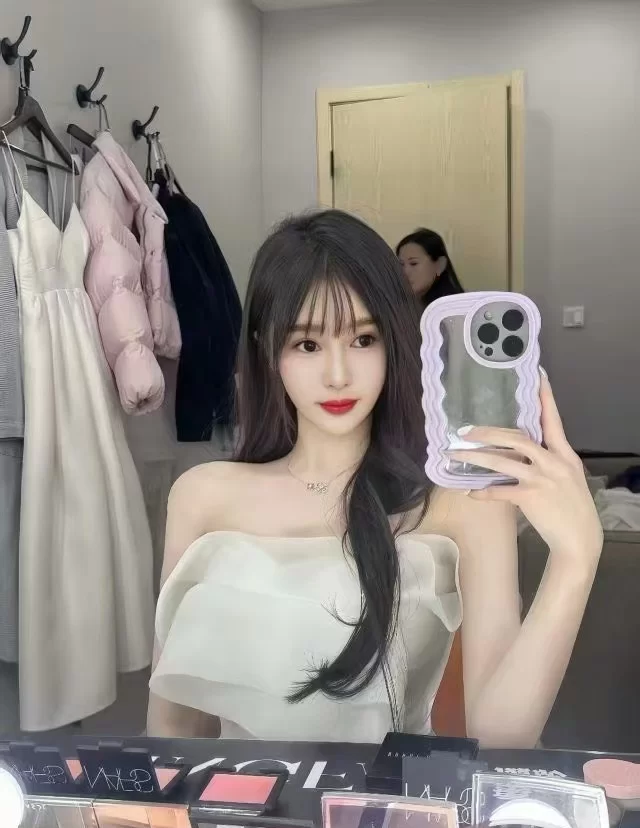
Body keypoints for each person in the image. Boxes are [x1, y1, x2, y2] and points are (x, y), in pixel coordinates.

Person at [147, 210, 602, 745]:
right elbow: (173, 729)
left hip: (388, 799)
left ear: (395, 341)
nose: (338, 375)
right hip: (238, 797)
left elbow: (500, 736)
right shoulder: (202, 496)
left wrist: (576, 559)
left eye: (363, 339)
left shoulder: (465, 503)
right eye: (307, 345)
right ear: (266, 350)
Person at [397, 228, 463, 307]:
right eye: (401, 264)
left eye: (413, 263)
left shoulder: (453, 308)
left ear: (440, 265)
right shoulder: (398, 305)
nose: (405, 271)